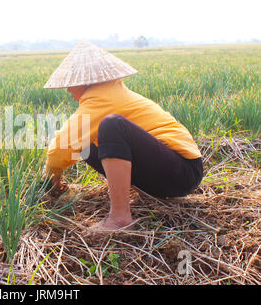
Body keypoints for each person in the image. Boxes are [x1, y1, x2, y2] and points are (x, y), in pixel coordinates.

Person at [43, 40, 203, 231]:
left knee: (112, 126)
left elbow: (61, 146)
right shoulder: (108, 92)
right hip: (167, 171)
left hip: (182, 171)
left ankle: (120, 219)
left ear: (86, 82)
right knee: (87, 144)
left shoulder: (102, 97)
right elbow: (72, 143)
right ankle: (142, 194)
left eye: (71, 84)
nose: (68, 90)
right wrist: (56, 179)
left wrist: (51, 178)